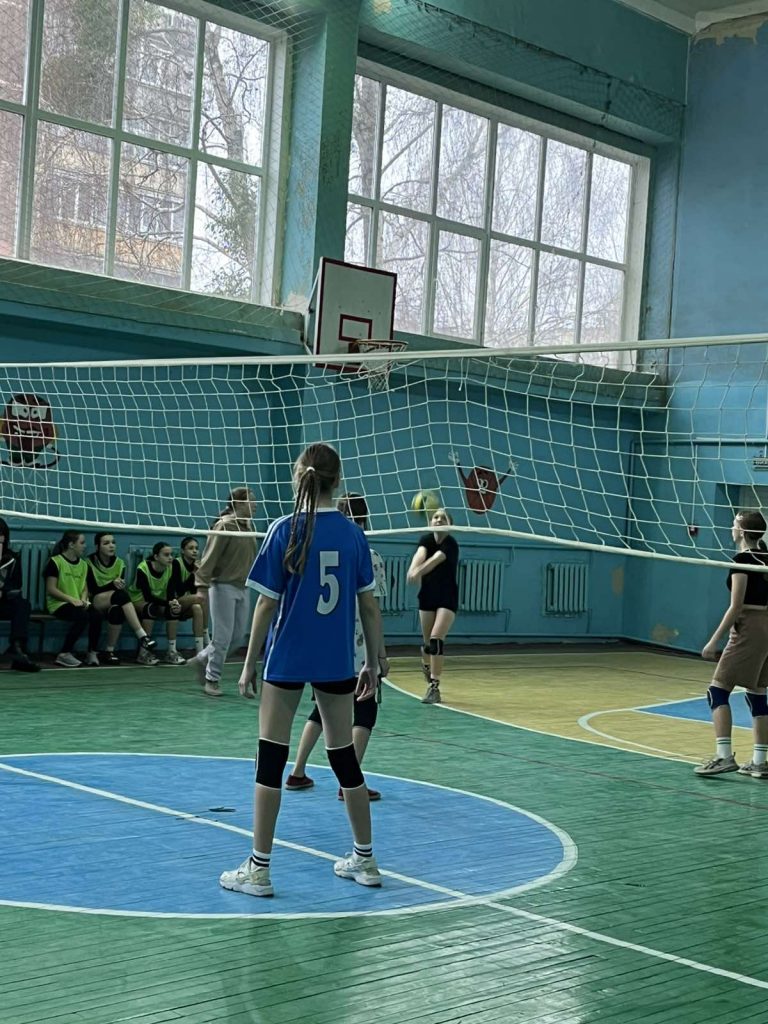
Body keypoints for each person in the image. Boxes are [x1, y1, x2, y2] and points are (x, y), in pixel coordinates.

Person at [219, 443, 387, 899]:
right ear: (338, 480)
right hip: (336, 662)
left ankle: (258, 870)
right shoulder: (353, 535)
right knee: (344, 758)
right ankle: (366, 859)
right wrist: (373, 663)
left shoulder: (284, 528)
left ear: (299, 476)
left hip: (287, 659)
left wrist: (249, 662)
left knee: (271, 759)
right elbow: (369, 607)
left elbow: (265, 604)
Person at [285, 492, 389, 800]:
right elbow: (372, 610)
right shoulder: (369, 554)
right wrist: (380, 655)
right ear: (365, 518)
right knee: (365, 711)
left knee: (321, 709)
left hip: (329, 647)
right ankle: (349, 782)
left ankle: (297, 772)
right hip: (358, 650)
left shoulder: (321, 548)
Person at [696, 509, 768, 779]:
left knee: (717, 692)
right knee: (757, 694)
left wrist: (713, 641)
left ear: (742, 531)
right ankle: (760, 761)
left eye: (734, 524)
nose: (731, 528)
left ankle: (724, 756)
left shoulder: (742, 560)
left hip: (750, 628)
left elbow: (736, 606)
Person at [188, 488, 258, 697]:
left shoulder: (249, 526)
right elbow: (209, 557)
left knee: (238, 637)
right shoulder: (225, 526)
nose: (255, 505)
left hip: (243, 587)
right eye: (251, 501)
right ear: (239, 503)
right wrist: (202, 587)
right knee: (222, 637)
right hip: (223, 587)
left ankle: (201, 659)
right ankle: (212, 679)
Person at [407, 508, 459, 705]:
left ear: (450, 524)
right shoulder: (426, 540)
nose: (438, 520)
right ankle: (426, 664)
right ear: (430, 522)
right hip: (427, 596)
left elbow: (435, 560)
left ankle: (434, 687)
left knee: (436, 640)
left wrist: (418, 572)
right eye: (435, 517)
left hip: (447, 598)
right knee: (428, 645)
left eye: (443, 518)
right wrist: (412, 569)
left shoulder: (451, 544)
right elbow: (420, 555)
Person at [85, 532, 158, 666]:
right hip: (96, 600)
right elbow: (93, 589)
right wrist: (112, 584)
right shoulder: (89, 562)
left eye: (113, 542)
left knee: (117, 610)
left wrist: (118, 585)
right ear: (97, 546)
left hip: (114, 600)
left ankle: (109, 651)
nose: (111, 546)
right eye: (106, 543)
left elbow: (118, 588)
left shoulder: (120, 563)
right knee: (121, 595)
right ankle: (142, 636)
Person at [128, 542, 196, 665]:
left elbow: (170, 592)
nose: (170, 558)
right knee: (150, 608)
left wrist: (173, 603)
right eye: (166, 555)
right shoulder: (143, 568)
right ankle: (143, 653)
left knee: (173, 610)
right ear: (156, 556)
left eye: (171, 554)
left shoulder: (170, 568)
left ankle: (171, 651)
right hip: (137, 600)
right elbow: (148, 597)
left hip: (158, 601)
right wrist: (168, 603)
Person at [44, 530, 93, 668]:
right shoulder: (55, 562)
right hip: (58, 604)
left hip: (77, 603)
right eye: (82, 543)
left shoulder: (83, 564)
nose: (84, 546)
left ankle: (92, 653)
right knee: (82, 617)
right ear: (71, 544)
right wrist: (72, 600)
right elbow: (51, 589)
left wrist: (83, 599)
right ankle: (64, 653)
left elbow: (84, 588)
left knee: (96, 614)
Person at [0, 518, 40, 672]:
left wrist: (3, 591)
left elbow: (17, 584)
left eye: (2, 535)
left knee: (22, 603)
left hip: (2, 602)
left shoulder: (11, 558)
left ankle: (17, 648)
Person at [169, 537, 209, 656]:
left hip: (188, 602)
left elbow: (195, 590)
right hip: (175, 600)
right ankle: (207, 638)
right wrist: (194, 574)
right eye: (191, 548)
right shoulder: (176, 563)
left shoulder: (196, 565)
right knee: (201, 598)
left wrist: (200, 574)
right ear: (183, 551)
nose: (195, 551)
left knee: (197, 608)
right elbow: (179, 590)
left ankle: (200, 651)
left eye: (196, 548)